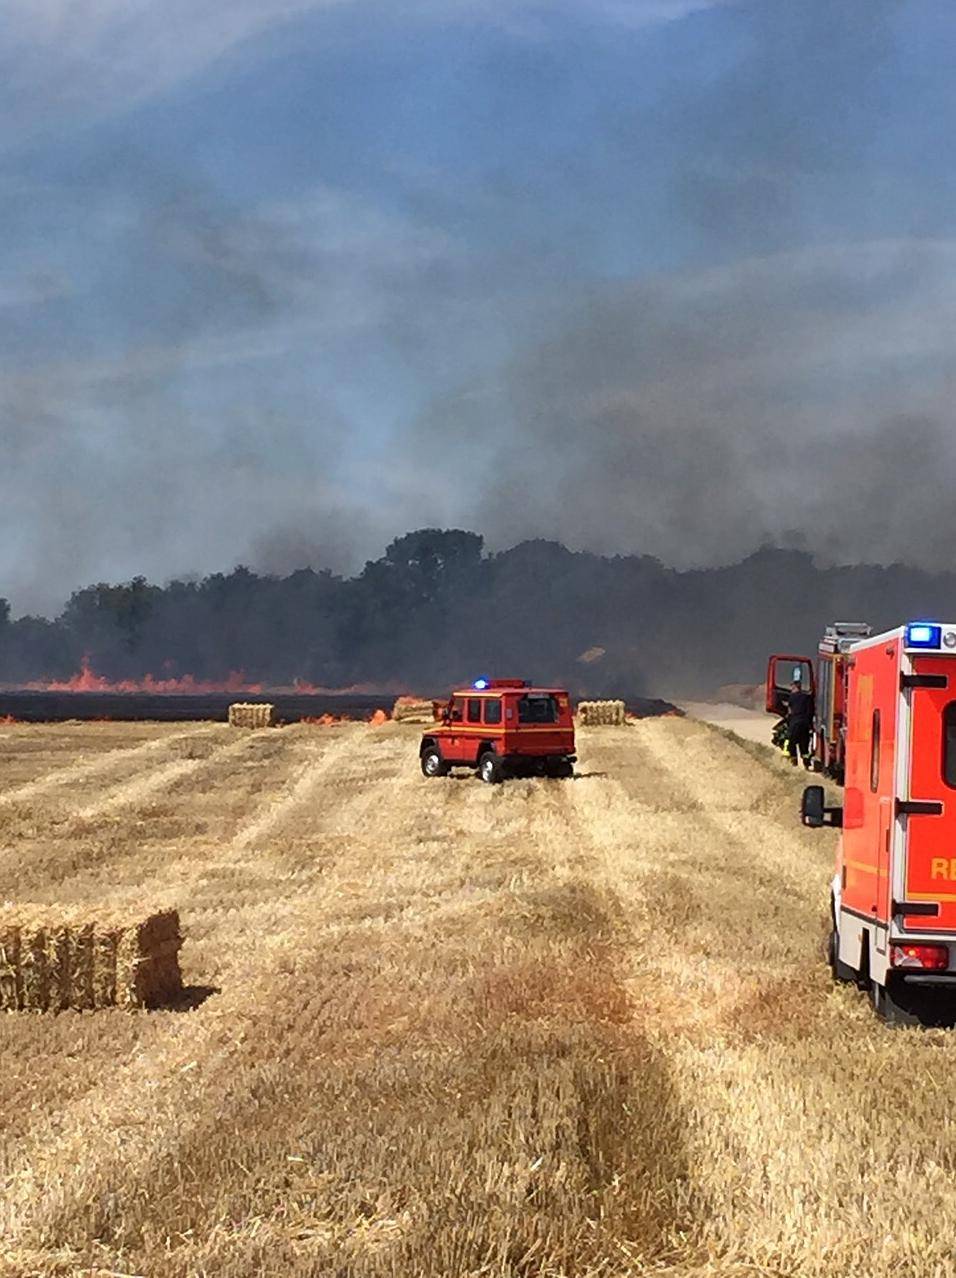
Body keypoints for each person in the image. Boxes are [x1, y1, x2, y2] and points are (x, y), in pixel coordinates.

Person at [785, 679, 814, 768]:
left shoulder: (791, 697)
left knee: (792, 743)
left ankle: (794, 762)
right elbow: (810, 712)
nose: (791, 689)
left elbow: (789, 711)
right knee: (804, 745)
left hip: (794, 724)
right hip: (804, 724)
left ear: (795, 687)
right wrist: (810, 725)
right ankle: (806, 763)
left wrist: (788, 721)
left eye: (792, 687)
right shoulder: (807, 697)